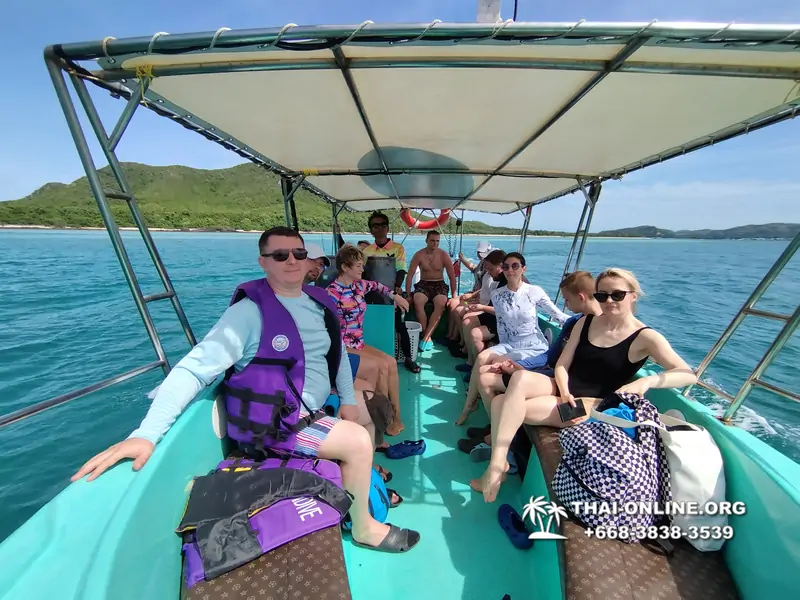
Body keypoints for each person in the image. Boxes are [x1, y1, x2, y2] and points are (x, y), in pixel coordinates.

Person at [71, 226, 419, 553]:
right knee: (357, 441)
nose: (292, 261)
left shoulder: (317, 301)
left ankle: (363, 482)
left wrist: (345, 399)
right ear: (263, 262)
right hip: (279, 425)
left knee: (368, 406)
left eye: (298, 253)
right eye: (280, 256)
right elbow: (193, 370)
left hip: (315, 407)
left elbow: (338, 353)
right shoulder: (249, 314)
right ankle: (363, 528)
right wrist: (146, 434)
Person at [471, 268, 698, 503]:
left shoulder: (645, 336)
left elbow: (687, 374)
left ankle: (496, 468)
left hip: (591, 406)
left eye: (617, 295)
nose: (609, 301)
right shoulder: (587, 322)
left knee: (501, 403)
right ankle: (498, 463)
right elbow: (561, 365)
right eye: (602, 296)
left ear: (633, 296)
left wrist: (647, 381)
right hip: (566, 390)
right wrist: (565, 390)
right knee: (518, 380)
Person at [455, 270, 601, 426]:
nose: (565, 304)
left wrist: (523, 370)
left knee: (502, 400)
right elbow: (551, 358)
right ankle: (493, 430)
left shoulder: (601, 331)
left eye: (566, 300)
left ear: (581, 297)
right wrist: (520, 366)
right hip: (557, 380)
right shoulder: (574, 323)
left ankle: (498, 435)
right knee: (487, 376)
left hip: (573, 392)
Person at [327, 245, 410, 436]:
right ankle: (383, 421)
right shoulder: (332, 293)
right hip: (343, 347)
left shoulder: (359, 286)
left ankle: (396, 415)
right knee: (380, 367)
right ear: (345, 268)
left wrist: (396, 296)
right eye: (357, 265)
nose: (362, 269)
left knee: (390, 362)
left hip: (358, 343)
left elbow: (378, 286)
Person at [361, 211, 420, 373]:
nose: (379, 228)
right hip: (372, 296)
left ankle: (409, 358)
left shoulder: (397, 248)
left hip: (392, 294)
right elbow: (363, 274)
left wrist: (395, 290)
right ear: (371, 230)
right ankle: (374, 357)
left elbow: (401, 270)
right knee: (373, 325)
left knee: (400, 326)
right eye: (375, 225)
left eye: (382, 225)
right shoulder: (366, 252)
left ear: (387, 228)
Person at [406, 230, 457, 351]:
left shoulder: (443, 255)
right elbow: (410, 275)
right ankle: (426, 335)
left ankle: (425, 337)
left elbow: (451, 276)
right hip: (424, 283)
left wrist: (454, 295)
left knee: (440, 303)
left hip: (439, 284)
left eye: (437, 241)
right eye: (432, 241)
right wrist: (408, 294)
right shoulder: (419, 255)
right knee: (418, 300)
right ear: (426, 241)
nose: (435, 244)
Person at [445, 241, 492, 343]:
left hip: (477, 298)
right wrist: (462, 259)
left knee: (460, 308)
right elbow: (473, 268)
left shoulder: (490, 267)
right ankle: (451, 335)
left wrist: (471, 296)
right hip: (474, 294)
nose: (480, 256)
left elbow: (485, 288)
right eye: (479, 253)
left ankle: (462, 340)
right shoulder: (482, 263)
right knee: (453, 302)